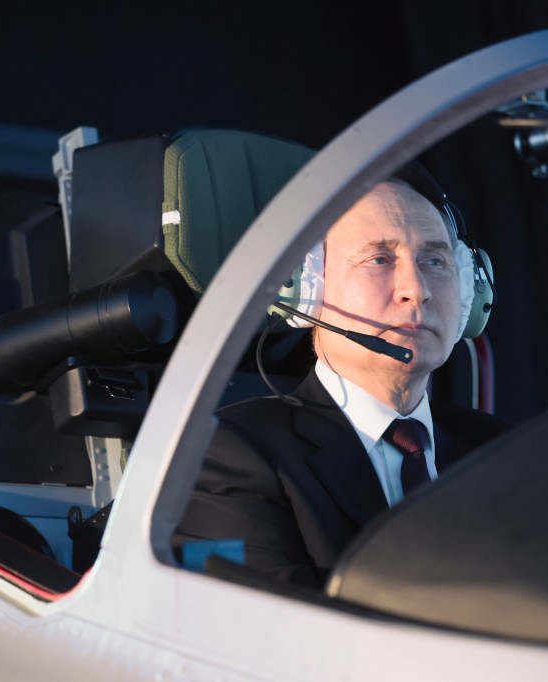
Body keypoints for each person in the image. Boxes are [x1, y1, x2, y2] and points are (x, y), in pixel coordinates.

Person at [175, 177, 507, 588]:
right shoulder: (229, 454)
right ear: (305, 287)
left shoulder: (504, 452)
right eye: (380, 259)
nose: (416, 290)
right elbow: (274, 640)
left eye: (435, 261)